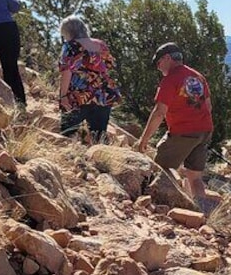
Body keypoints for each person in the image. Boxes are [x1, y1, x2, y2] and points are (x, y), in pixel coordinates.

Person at [137, 42, 215, 212]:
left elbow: (159, 112)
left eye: (158, 63)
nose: (158, 68)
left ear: (167, 58)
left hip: (184, 131)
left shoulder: (170, 79)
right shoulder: (198, 76)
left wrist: (143, 140)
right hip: (204, 130)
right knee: (195, 176)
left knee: (161, 168)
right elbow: (208, 106)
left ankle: (166, 205)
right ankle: (201, 212)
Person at [58, 15, 121, 144]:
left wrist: (63, 95)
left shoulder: (71, 46)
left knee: (68, 134)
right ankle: (101, 161)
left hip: (78, 96)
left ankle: (72, 161)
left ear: (68, 32)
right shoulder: (99, 44)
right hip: (102, 95)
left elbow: (67, 71)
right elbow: (109, 65)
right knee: (99, 137)